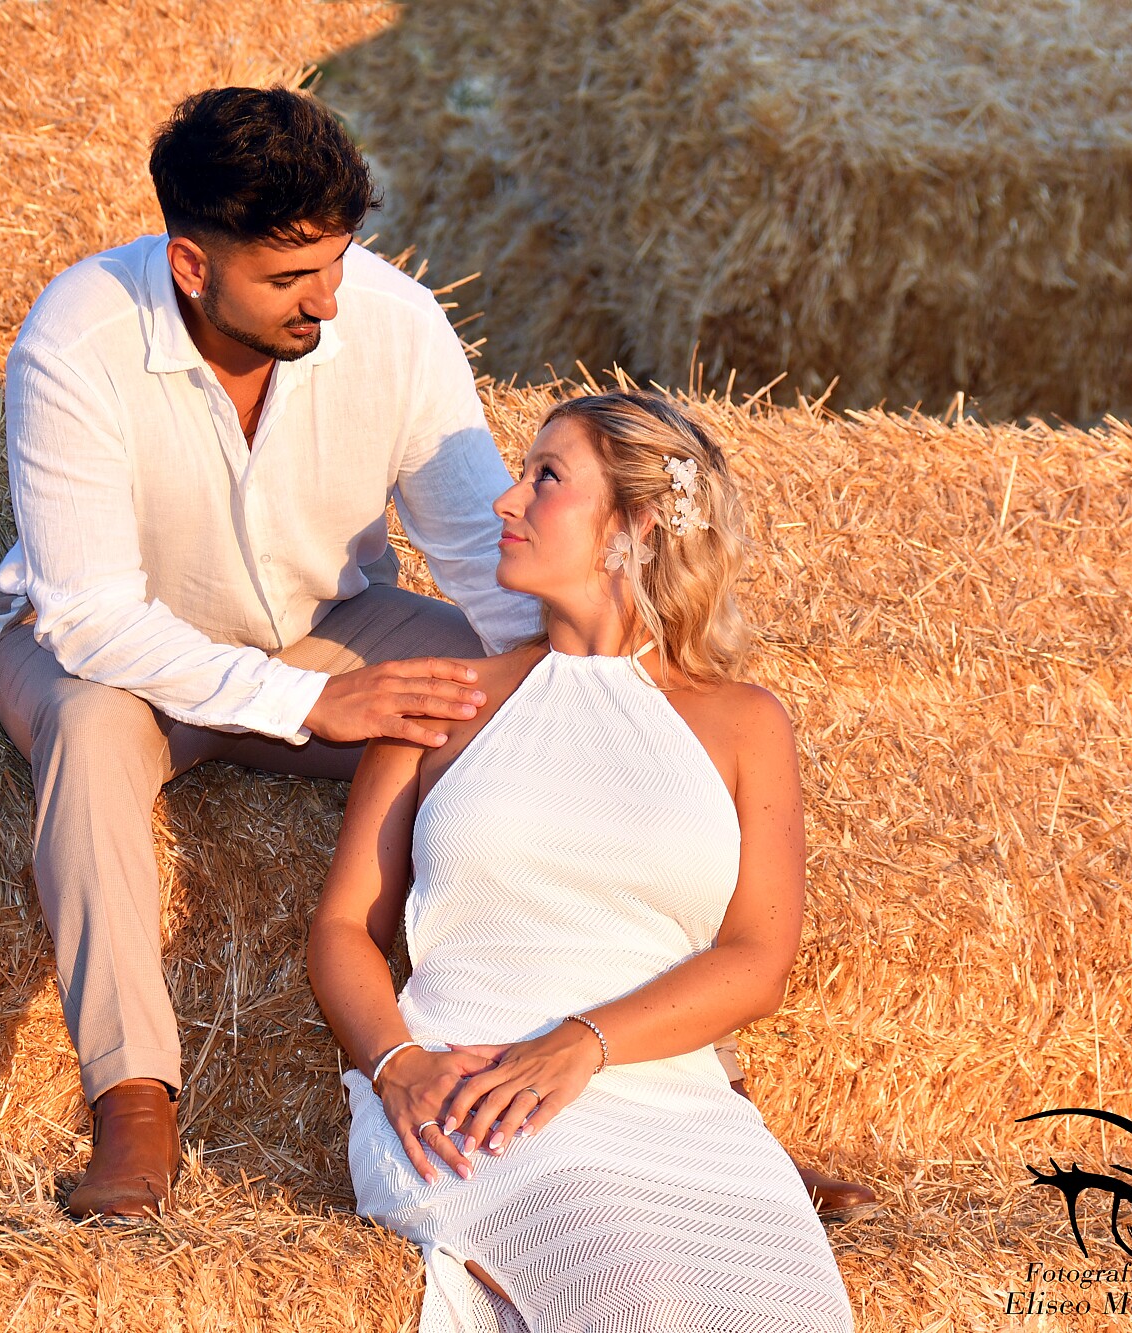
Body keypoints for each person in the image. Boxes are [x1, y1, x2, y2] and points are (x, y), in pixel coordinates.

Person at [0, 85, 871, 1226]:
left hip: (340, 619)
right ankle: (134, 1111)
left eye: (338, 262)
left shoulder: (389, 321)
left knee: (543, 694)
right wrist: (310, 703)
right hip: (116, 654)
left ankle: (701, 1110)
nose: (329, 299)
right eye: (293, 279)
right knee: (91, 735)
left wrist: (570, 703)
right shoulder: (77, 335)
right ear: (193, 266)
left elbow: (472, 546)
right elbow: (93, 614)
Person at [308, 391, 855, 1329]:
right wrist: (396, 1065)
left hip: (679, 1109)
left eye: (544, 478)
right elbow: (341, 926)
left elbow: (755, 958)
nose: (504, 501)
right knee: (633, 1298)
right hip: (472, 1098)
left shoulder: (743, 722)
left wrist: (581, 1043)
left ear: (632, 528)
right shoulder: (443, 700)